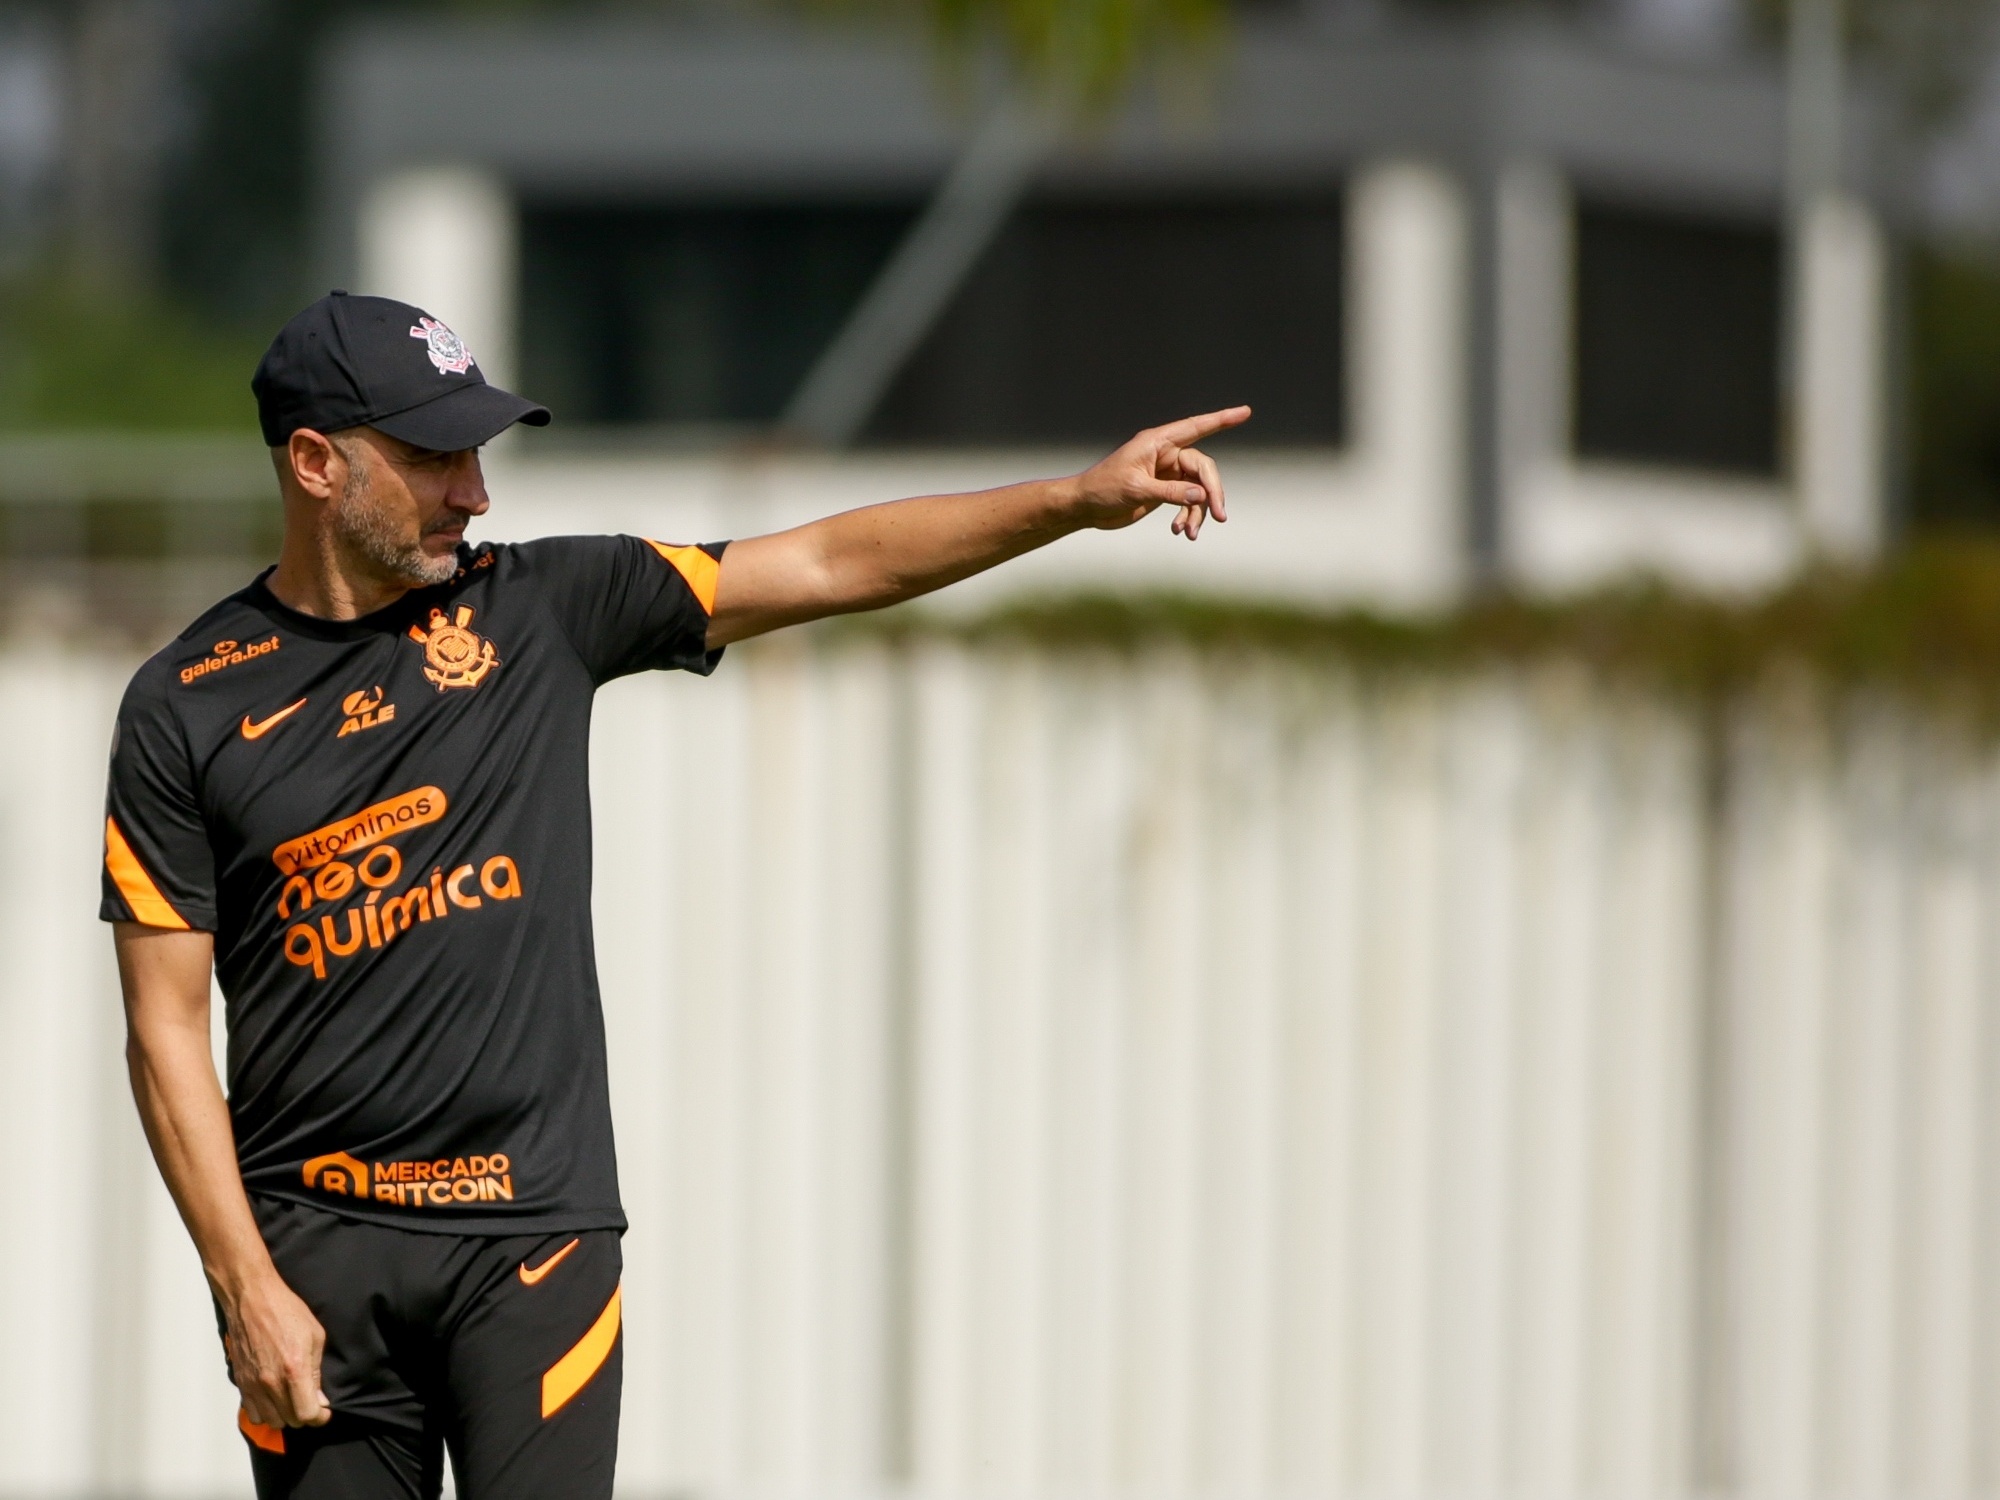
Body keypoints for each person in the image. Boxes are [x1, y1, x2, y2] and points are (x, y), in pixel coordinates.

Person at [105, 290, 1247, 1500]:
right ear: (318, 463)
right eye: (436, 456)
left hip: (533, 1250)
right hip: (315, 1270)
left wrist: (1073, 500)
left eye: (478, 454)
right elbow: (165, 1029)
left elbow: (822, 561)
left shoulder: (543, 607)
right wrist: (244, 1289)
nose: (475, 492)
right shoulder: (181, 704)